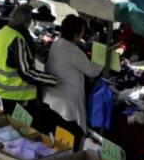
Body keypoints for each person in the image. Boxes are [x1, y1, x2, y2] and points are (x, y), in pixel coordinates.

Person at [41, 15, 102, 149]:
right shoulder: (73, 51)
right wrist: (103, 57)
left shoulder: (57, 43)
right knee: (66, 142)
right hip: (65, 104)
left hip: (51, 98)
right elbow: (93, 71)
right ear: (77, 34)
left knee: (53, 139)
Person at [0, 4, 58, 122]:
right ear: (26, 22)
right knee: (19, 130)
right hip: (14, 97)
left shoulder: (4, 32)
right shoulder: (17, 40)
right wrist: (51, 79)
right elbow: (26, 73)